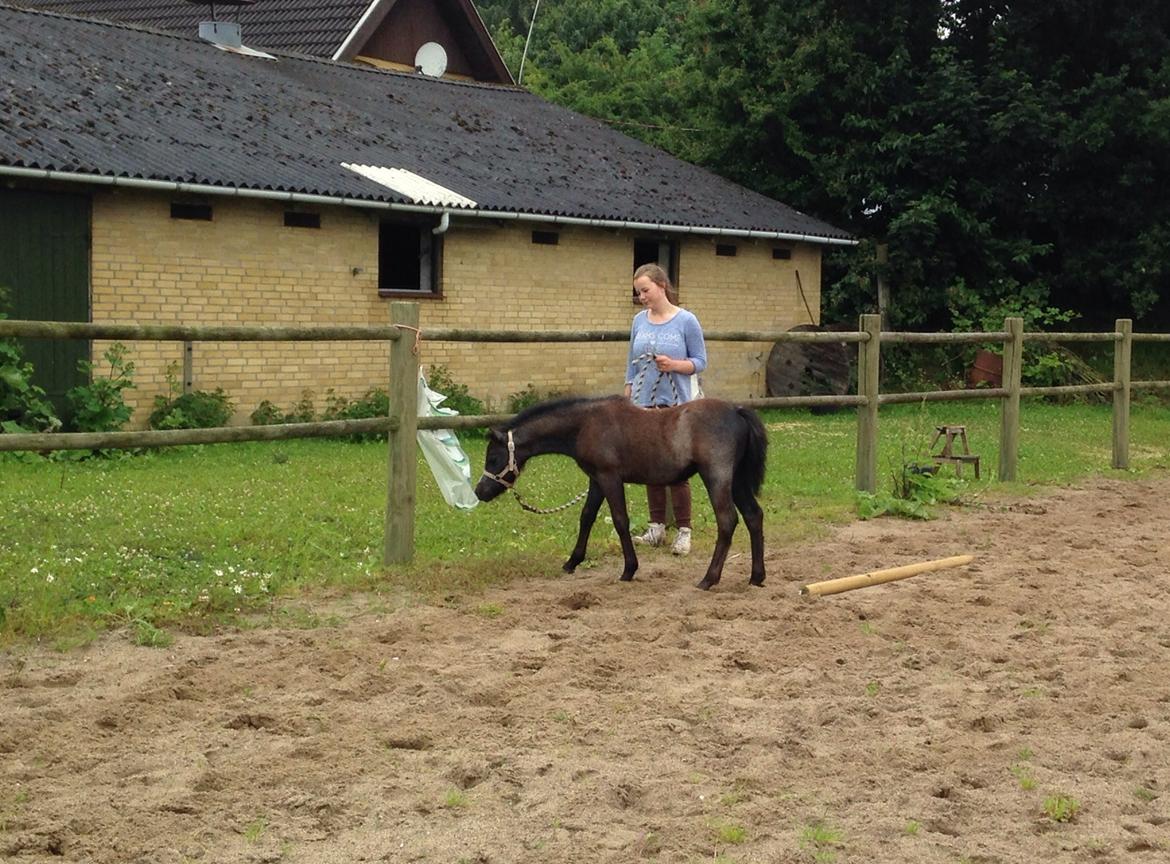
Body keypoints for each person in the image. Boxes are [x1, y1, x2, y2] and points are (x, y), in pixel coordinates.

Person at [624, 263, 708, 556]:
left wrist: (673, 365)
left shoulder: (686, 321)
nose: (642, 297)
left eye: (645, 290)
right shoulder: (639, 321)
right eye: (638, 293)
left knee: (677, 468)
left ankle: (684, 530)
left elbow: (700, 361)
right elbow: (631, 361)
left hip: (676, 406)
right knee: (650, 466)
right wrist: (629, 390)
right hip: (644, 404)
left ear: (661, 286)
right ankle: (655, 527)